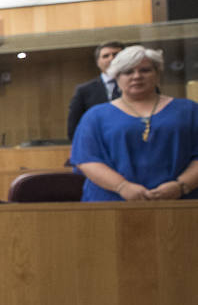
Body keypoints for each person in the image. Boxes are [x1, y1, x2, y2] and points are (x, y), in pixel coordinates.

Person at [71, 45, 198, 202]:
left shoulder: (189, 110)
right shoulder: (95, 116)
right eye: (128, 72)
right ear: (116, 77)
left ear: (158, 73)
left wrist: (181, 186)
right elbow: (86, 159)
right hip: (111, 206)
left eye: (145, 70)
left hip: (182, 202)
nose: (136, 76)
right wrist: (122, 186)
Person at [67, 41, 126, 141]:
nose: (111, 58)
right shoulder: (84, 91)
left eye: (116, 54)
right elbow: (74, 128)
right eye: (106, 56)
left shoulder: (141, 86)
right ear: (98, 62)